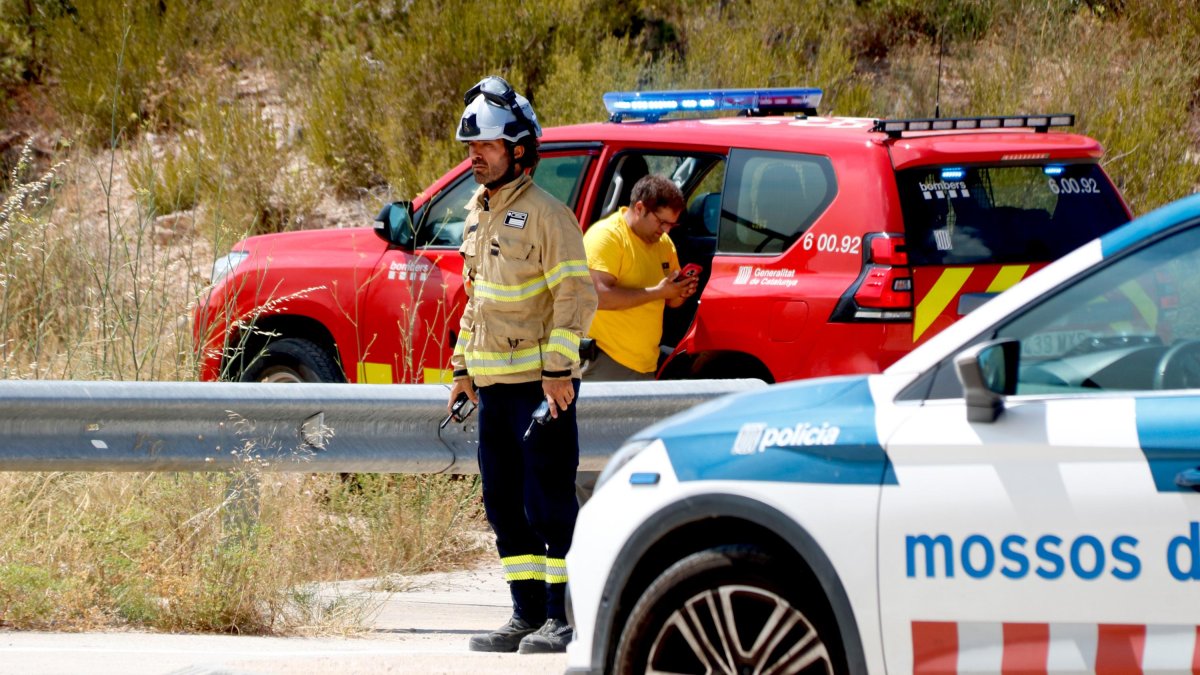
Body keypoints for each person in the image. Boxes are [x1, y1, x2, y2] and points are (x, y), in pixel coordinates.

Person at [446, 76, 597, 655]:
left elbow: (576, 300)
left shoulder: (547, 216)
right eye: (470, 148)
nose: (474, 158)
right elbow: (475, 300)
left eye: (483, 147)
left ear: (518, 149)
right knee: (503, 503)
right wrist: (461, 371)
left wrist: (559, 372)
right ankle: (525, 613)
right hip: (492, 389)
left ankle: (561, 618)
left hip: (541, 390)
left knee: (548, 503)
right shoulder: (476, 214)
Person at [582, 174, 698, 380]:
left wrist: (681, 291)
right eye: (661, 222)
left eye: (672, 225)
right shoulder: (607, 237)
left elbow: (672, 301)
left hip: (646, 363)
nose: (666, 230)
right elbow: (599, 297)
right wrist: (657, 292)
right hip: (605, 360)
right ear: (639, 208)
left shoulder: (664, 244)